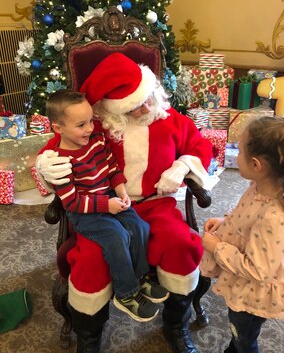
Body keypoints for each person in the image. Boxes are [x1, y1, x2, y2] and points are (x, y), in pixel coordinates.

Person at [37, 52, 213, 353]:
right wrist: (44, 165)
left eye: (146, 98)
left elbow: (200, 145)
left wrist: (183, 165)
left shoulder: (170, 119)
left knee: (181, 244)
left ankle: (176, 324)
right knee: (91, 259)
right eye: (134, 106)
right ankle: (89, 337)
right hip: (100, 205)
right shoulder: (94, 126)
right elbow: (58, 144)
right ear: (111, 108)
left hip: (156, 203)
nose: (145, 108)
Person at [44, 89, 169, 323]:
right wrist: (106, 205)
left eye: (91, 120)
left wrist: (120, 190)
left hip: (110, 196)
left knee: (139, 226)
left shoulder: (97, 140)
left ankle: (141, 276)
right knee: (116, 235)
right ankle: (126, 292)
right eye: (81, 125)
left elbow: (111, 168)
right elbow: (71, 201)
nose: (90, 128)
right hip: (85, 212)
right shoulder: (58, 160)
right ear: (58, 128)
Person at [200, 116, 284, 353]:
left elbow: (258, 270)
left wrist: (216, 247)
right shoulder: (260, 186)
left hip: (252, 298)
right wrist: (226, 222)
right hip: (246, 285)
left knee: (243, 337)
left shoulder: (273, 218)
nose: (236, 153)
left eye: (240, 150)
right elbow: (247, 219)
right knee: (238, 334)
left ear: (256, 165)